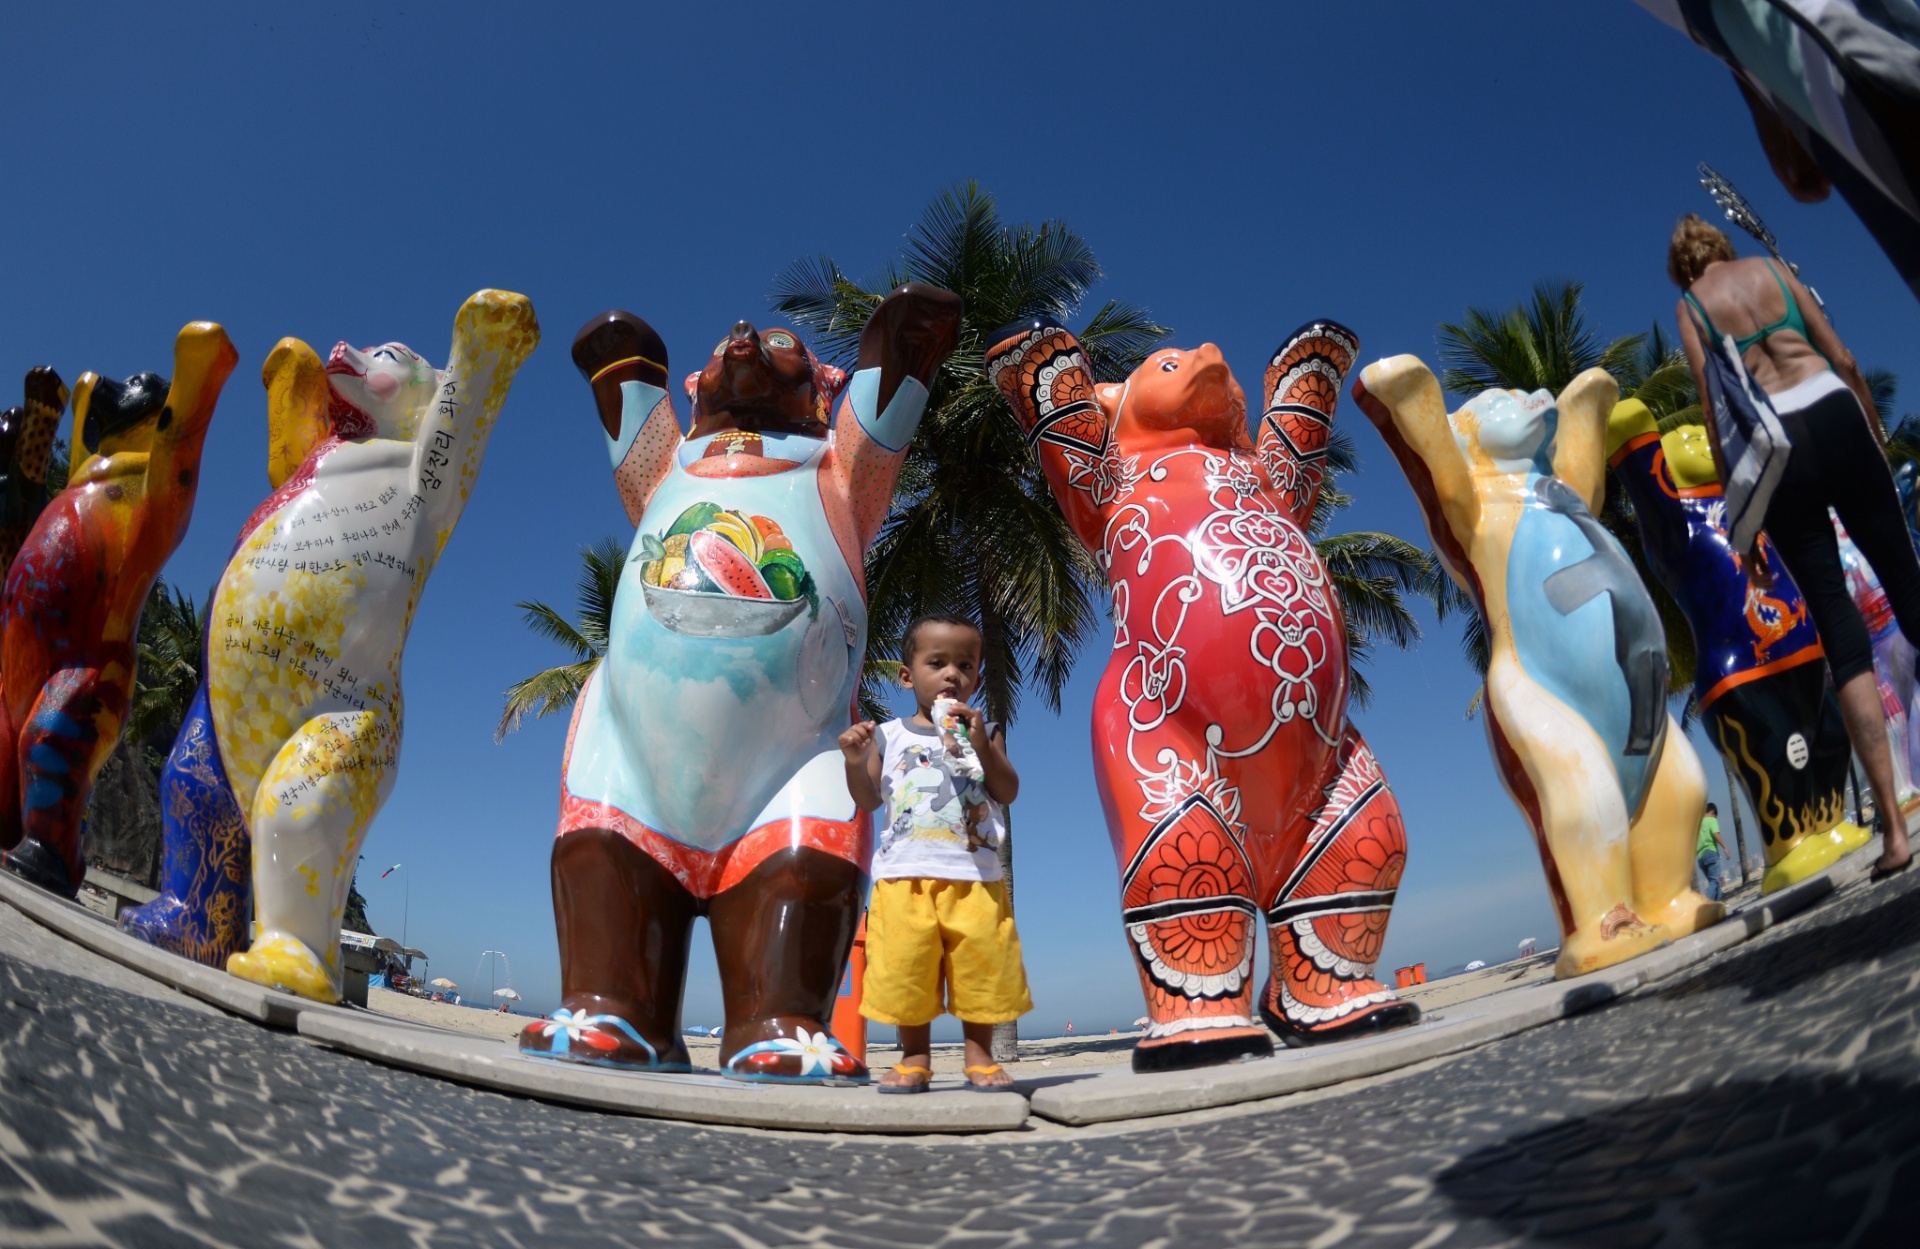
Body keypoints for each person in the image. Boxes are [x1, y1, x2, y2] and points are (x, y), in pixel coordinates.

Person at [1672, 215, 1915, 881]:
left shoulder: (1693, 307)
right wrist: (1869, 421)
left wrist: (1739, 521)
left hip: (1779, 447)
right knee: (1909, 586)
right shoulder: (1774, 271)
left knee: (1841, 631)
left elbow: (1715, 410)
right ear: (1722, 249)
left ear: (1683, 268)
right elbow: (1843, 357)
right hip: (1835, 413)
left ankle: (1894, 833)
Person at [839, 615, 1030, 1093]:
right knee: (907, 970)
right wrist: (853, 761)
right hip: (905, 875)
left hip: (976, 876)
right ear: (908, 676)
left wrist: (981, 742)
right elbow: (867, 799)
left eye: (965, 665)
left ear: (977, 678)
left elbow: (1006, 790)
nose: (952, 675)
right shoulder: (890, 735)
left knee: (982, 969)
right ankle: (915, 1058)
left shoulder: (985, 730)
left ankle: (980, 1057)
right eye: (937, 663)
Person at [1696, 803, 1729, 902]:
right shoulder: (1711, 820)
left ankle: (1718, 907)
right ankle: (1704, 901)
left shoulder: (1698, 824)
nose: (1716, 818)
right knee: (1714, 881)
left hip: (1701, 857)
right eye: (1716, 815)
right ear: (1713, 812)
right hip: (1710, 853)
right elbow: (1715, 834)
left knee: (1715, 882)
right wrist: (1725, 847)